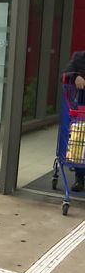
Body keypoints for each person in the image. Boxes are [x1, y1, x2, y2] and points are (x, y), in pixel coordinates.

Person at [63, 51, 85, 191]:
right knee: (80, 142)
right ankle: (79, 178)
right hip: (82, 110)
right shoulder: (79, 57)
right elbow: (65, 74)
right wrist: (76, 76)